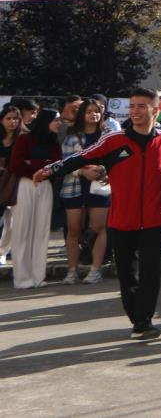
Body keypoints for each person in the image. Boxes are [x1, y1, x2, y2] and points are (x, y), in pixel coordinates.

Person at [34, 90, 161, 338]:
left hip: (155, 220)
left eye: (142, 106)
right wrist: (52, 169)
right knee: (126, 274)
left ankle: (144, 320)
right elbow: (80, 157)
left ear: (155, 111)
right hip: (122, 220)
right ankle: (138, 317)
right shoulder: (114, 140)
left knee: (150, 273)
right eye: (132, 106)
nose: (135, 111)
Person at [59, 97, 113, 285]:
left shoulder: (109, 135)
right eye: (89, 111)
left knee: (99, 228)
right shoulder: (72, 137)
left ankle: (95, 269)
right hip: (74, 187)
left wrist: (104, 171)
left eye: (97, 111)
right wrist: (82, 171)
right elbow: (64, 164)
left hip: (101, 186)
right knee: (74, 229)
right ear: (82, 114)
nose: (93, 114)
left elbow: (116, 161)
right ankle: (72, 270)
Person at [9, 109, 62, 289]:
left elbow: (56, 165)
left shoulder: (54, 143)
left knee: (41, 231)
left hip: (45, 187)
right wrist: (41, 168)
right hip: (25, 185)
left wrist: (35, 165)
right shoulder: (25, 139)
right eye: (56, 120)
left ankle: (38, 276)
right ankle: (22, 278)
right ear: (46, 121)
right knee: (22, 231)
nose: (59, 123)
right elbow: (15, 164)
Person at [0, 103, 21, 268]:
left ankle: (3, 252)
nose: (12, 122)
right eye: (8, 118)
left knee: (13, 222)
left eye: (15, 118)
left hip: (16, 182)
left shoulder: (23, 138)